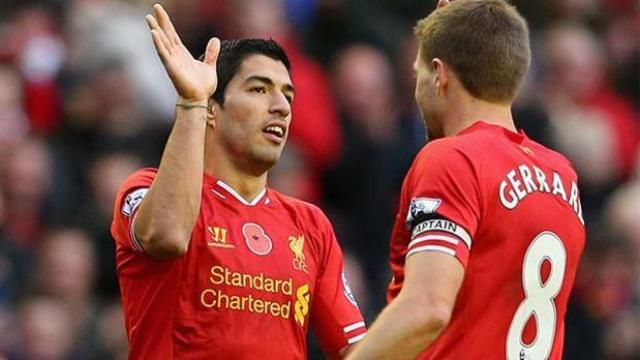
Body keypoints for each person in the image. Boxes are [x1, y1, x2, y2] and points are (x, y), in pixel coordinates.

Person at [110, 4, 365, 359]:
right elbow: (167, 235)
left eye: (287, 95)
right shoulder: (144, 190)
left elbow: (356, 350)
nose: (281, 106)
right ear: (213, 109)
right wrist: (192, 102)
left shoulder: (311, 226)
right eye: (259, 90)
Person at [347, 1, 586, 359]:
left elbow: (427, 308)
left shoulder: (453, 158)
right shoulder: (562, 176)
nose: (416, 90)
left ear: (439, 75)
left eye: (419, 75)